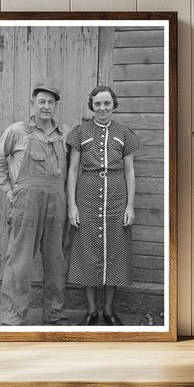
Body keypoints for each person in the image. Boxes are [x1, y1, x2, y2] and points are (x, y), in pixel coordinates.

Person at [0, 77, 71, 326]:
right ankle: (13, 317)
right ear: (33, 103)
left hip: (57, 200)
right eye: (41, 102)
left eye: (50, 102)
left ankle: (54, 314)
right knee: (20, 261)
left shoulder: (64, 134)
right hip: (26, 202)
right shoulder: (18, 131)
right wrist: (9, 190)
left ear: (55, 106)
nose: (46, 106)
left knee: (56, 261)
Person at [66, 86, 140, 326]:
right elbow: (73, 170)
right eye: (97, 104)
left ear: (114, 105)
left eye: (107, 103)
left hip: (117, 201)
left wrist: (130, 206)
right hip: (86, 200)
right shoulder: (80, 132)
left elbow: (129, 171)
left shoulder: (124, 134)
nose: (102, 108)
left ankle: (108, 311)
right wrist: (72, 206)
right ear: (91, 106)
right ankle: (91, 311)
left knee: (115, 254)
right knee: (87, 253)